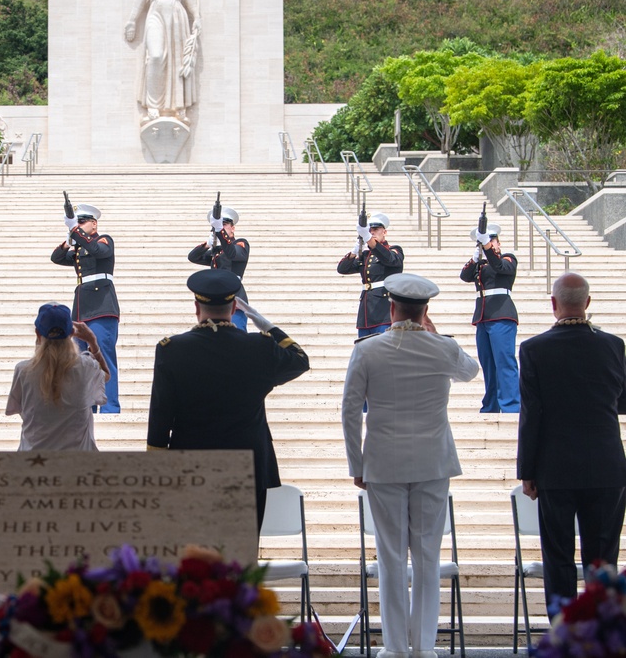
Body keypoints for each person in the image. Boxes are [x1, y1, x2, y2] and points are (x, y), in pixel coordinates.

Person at [341, 273, 479, 658]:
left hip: (383, 463)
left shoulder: (367, 350)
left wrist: (357, 463)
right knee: (428, 557)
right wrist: (435, 334)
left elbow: (350, 411)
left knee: (390, 557)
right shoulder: (444, 348)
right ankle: (424, 648)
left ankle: (396, 648)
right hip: (433, 462)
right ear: (425, 311)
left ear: (391, 307)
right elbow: (472, 372)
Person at [147, 269, 310, 531]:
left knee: (197, 553)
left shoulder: (172, 349)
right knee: (241, 556)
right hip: (248, 462)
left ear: (196, 307)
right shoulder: (260, 347)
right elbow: (300, 360)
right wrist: (266, 326)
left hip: (192, 462)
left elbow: (160, 412)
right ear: (235, 307)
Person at [517, 272, 626, 611]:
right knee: (603, 559)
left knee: (559, 558)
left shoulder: (534, 349)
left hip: (556, 467)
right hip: (607, 467)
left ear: (554, 304)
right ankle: (600, 635)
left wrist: (527, 470)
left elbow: (531, 414)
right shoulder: (614, 346)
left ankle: (564, 636)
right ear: (588, 303)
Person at [5, 303, 111, 451]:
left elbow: (16, 409)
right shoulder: (86, 367)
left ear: (37, 333)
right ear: (71, 334)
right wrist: (92, 341)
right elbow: (106, 375)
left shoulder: (23, 371)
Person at [50, 203, 120, 413]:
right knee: (80, 361)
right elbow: (57, 257)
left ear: (94, 224)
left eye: (82, 222)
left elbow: (97, 250)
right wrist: (69, 239)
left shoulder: (103, 240)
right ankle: (85, 408)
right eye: (76, 222)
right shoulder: (81, 247)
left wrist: (76, 232)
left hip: (101, 305)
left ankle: (109, 407)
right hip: (82, 308)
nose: (78, 226)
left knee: (103, 357)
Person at [460, 223, 520, 413]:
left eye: (491, 240)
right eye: (485, 241)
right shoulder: (481, 264)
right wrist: (475, 257)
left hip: (501, 315)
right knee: (488, 365)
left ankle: (511, 406)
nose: (488, 244)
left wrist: (488, 248)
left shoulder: (507, 258)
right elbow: (465, 276)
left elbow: (501, 267)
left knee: (504, 362)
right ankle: (491, 405)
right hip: (483, 317)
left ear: (498, 243)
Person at [124, 0, 202, 122]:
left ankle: (178, 105)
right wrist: (132, 20)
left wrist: (196, 17)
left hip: (175, 11)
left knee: (177, 59)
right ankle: (153, 105)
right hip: (155, 10)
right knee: (155, 56)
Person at [336, 212, 404, 337]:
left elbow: (389, 259)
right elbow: (342, 269)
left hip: (384, 312)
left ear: (384, 232)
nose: (372, 232)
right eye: (369, 230)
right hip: (366, 313)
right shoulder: (366, 255)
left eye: (376, 229)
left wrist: (368, 238)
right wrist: (354, 251)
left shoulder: (394, 250)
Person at [188, 205, 250, 331]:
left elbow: (232, 253)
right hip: (214, 301)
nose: (221, 227)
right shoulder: (216, 251)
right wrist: (207, 245)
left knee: (235, 336)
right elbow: (193, 257)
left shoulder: (240, 243)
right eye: (218, 225)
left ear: (232, 228)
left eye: (225, 224)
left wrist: (219, 231)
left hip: (234, 300)